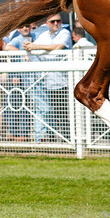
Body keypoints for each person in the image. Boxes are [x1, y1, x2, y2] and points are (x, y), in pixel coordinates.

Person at [24, 14, 71, 142]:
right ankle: (51, 140)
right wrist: (28, 47)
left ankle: (68, 140)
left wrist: (35, 47)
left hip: (62, 81)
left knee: (63, 113)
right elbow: (33, 46)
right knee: (49, 112)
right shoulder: (43, 35)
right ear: (47, 23)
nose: (56, 23)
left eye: (58, 21)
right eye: (53, 21)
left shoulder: (64, 32)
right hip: (45, 82)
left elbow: (58, 46)